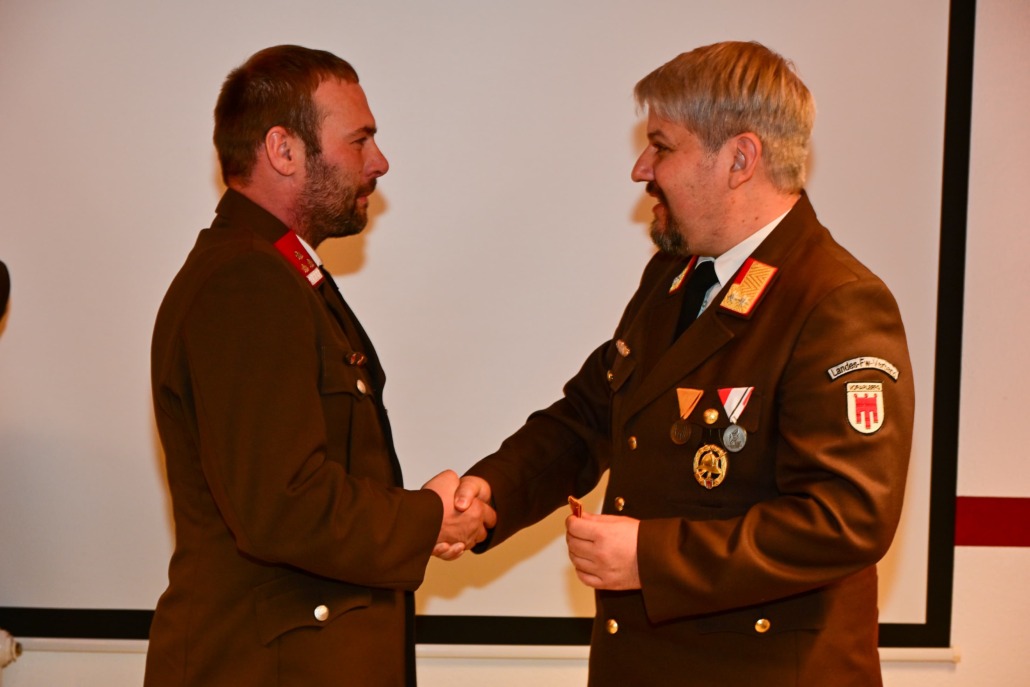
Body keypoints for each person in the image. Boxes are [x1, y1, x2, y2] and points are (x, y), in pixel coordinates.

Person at [454, 41, 914, 686]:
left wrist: (651, 557)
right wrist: (492, 492)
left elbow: (845, 520)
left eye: (662, 146)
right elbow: (593, 414)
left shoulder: (834, 301)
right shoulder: (677, 274)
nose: (640, 169)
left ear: (740, 159)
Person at [146, 45, 494, 687]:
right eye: (359, 140)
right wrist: (427, 518)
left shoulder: (278, 270)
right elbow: (283, 505)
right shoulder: (246, 281)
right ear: (283, 150)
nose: (379, 161)